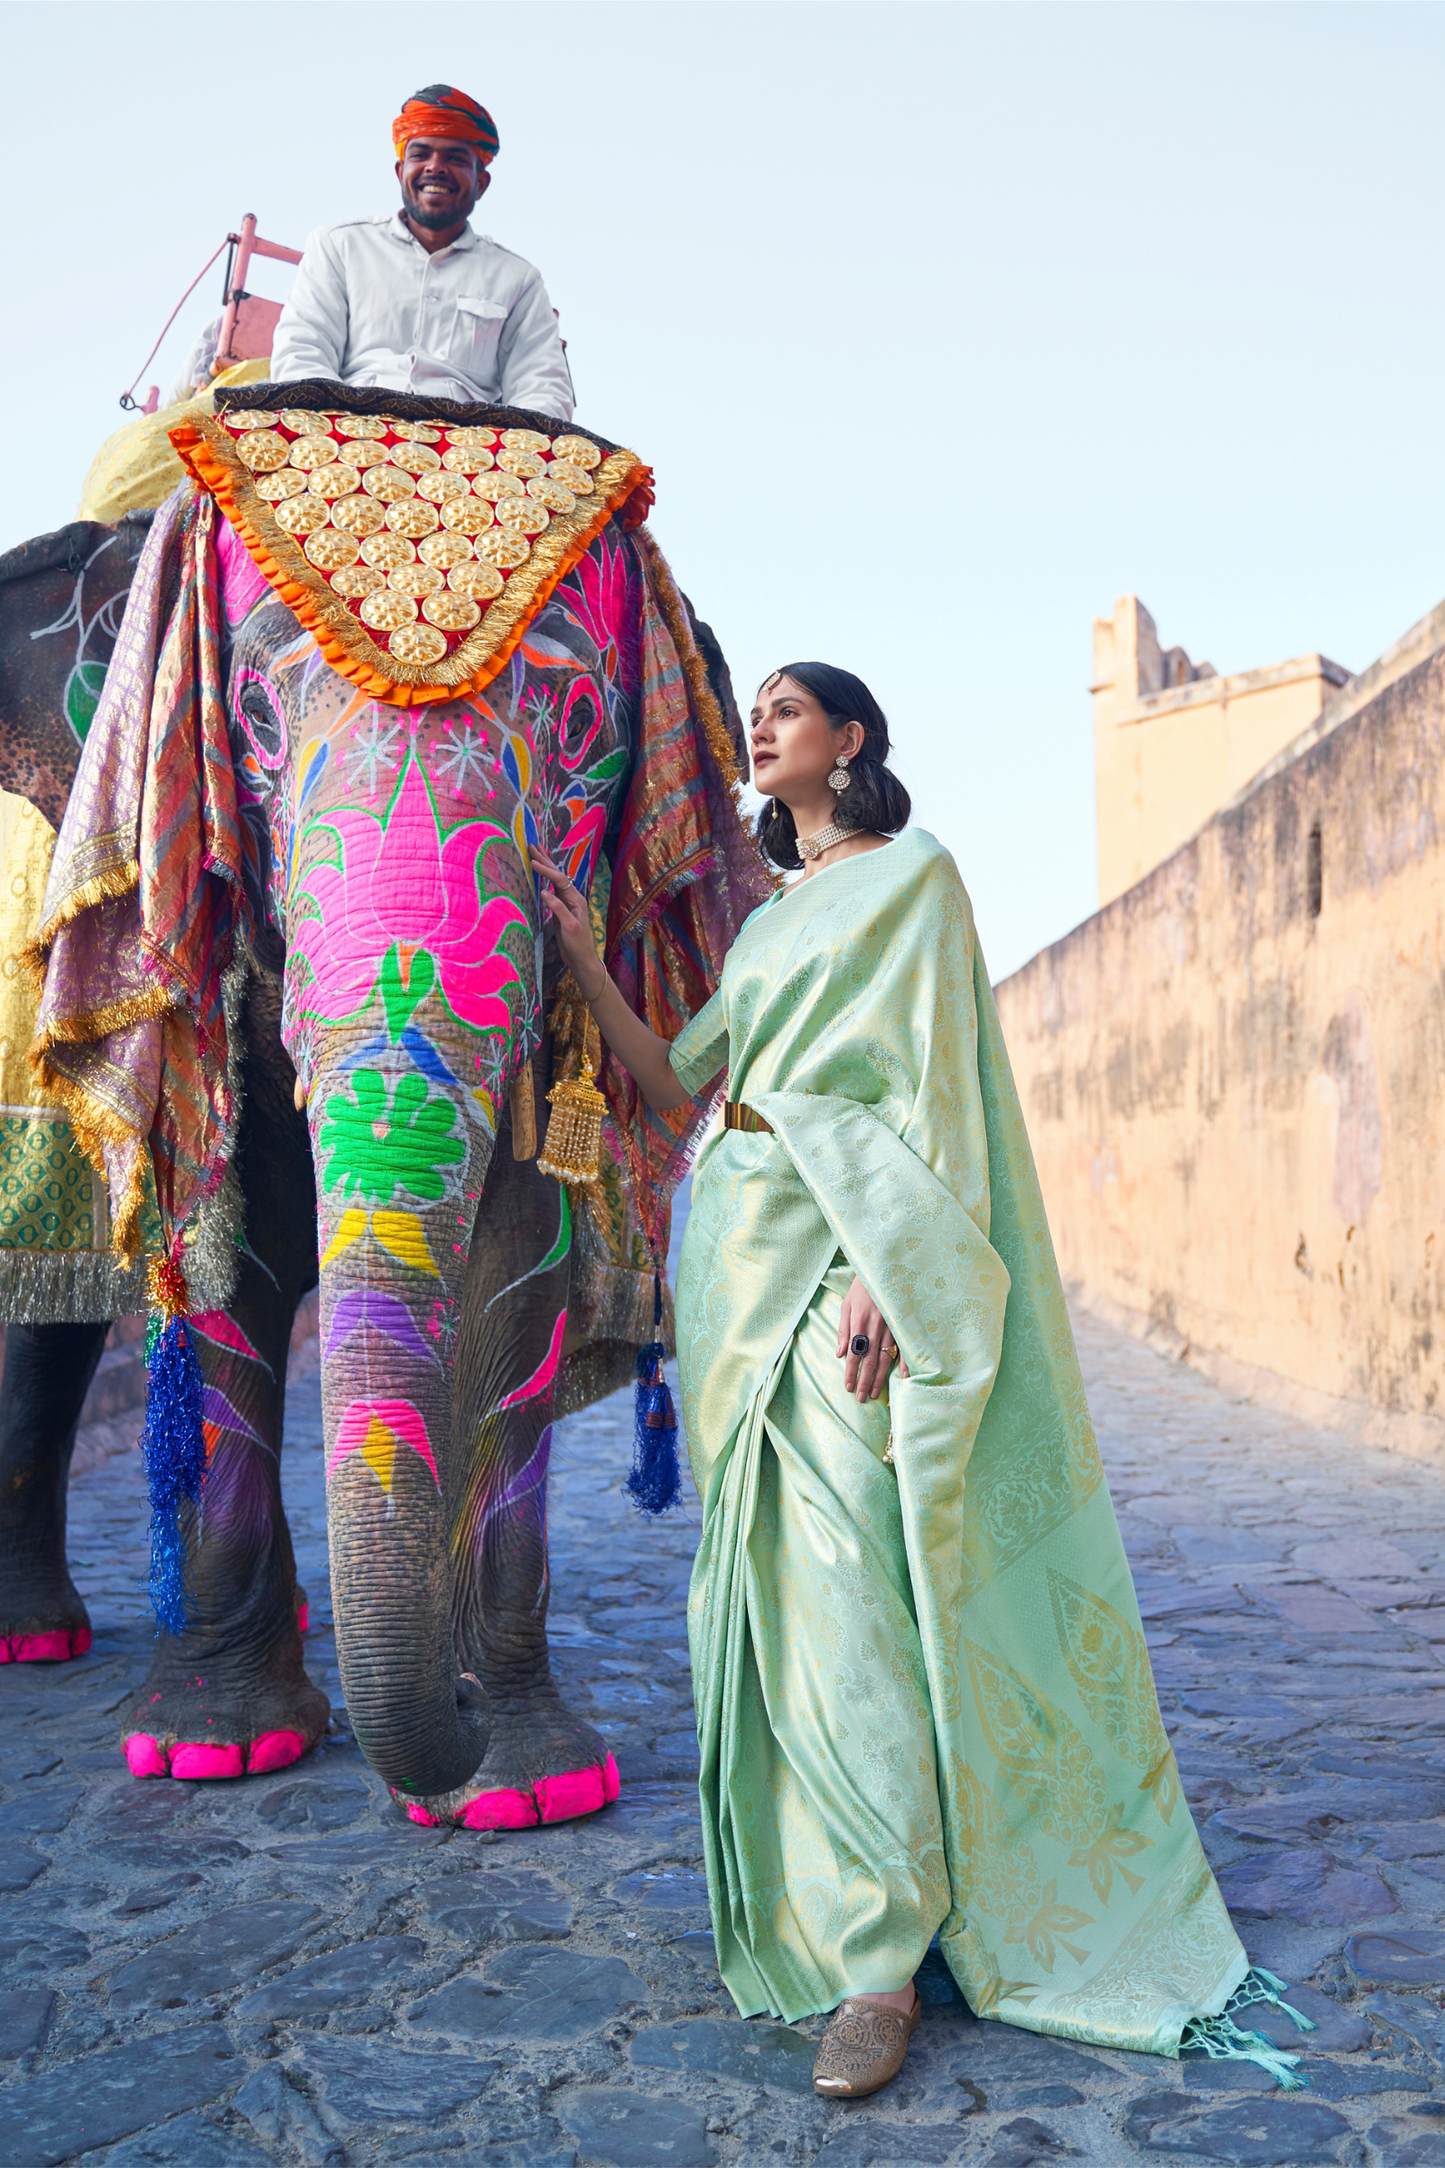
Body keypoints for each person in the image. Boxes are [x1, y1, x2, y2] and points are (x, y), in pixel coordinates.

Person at [534, 666, 1298, 2101]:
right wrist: (578, 959)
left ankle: (881, 1964)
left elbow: (937, 1085)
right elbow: (673, 1078)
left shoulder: (915, 880)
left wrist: (894, 1266)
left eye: (787, 710)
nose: (761, 729)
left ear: (852, 740)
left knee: (848, 1592)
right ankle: (832, 1906)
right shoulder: (770, 922)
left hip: (843, 1253)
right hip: (732, 1250)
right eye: (754, 712)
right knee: (768, 1591)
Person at [267, 83, 573, 417]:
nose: (435, 166)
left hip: (471, 452)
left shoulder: (518, 279)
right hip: (347, 434)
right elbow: (303, 353)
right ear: (401, 173)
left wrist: (507, 457)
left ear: (481, 183)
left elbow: (543, 390)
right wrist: (335, 437)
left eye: (455, 158)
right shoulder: (340, 246)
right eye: (420, 154)